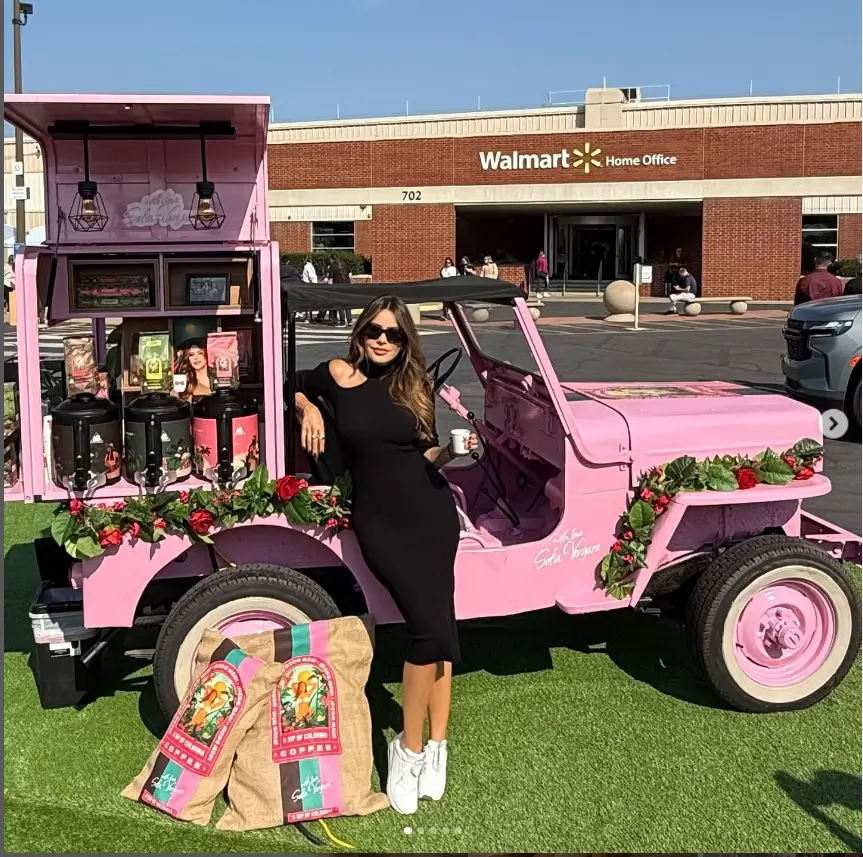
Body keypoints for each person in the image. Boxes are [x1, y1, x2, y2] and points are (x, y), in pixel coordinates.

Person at [294, 295, 478, 815]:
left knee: (440, 628)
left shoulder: (413, 384)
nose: (382, 339)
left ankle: (435, 747)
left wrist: (454, 453)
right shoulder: (335, 372)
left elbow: (425, 451)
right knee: (426, 629)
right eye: (375, 329)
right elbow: (295, 385)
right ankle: (406, 748)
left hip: (432, 513)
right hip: (380, 520)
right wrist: (309, 408)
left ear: (405, 343)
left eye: (394, 335)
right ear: (360, 330)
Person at [325, 257, 351, 327]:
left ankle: (342, 321)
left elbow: (330, 279)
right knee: (347, 304)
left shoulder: (332, 266)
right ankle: (349, 321)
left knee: (340, 304)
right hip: (347, 286)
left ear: (331, 259)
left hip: (338, 287)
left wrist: (329, 288)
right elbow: (350, 274)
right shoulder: (344, 264)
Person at [300, 256, 318, 324]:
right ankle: (308, 317)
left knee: (308, 302)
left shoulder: (307, 266)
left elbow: (311, 277)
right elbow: (311, 277)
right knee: (308, 302)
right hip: (309, 286)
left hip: (308, 286)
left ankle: (308, 317)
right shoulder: (309, 266)